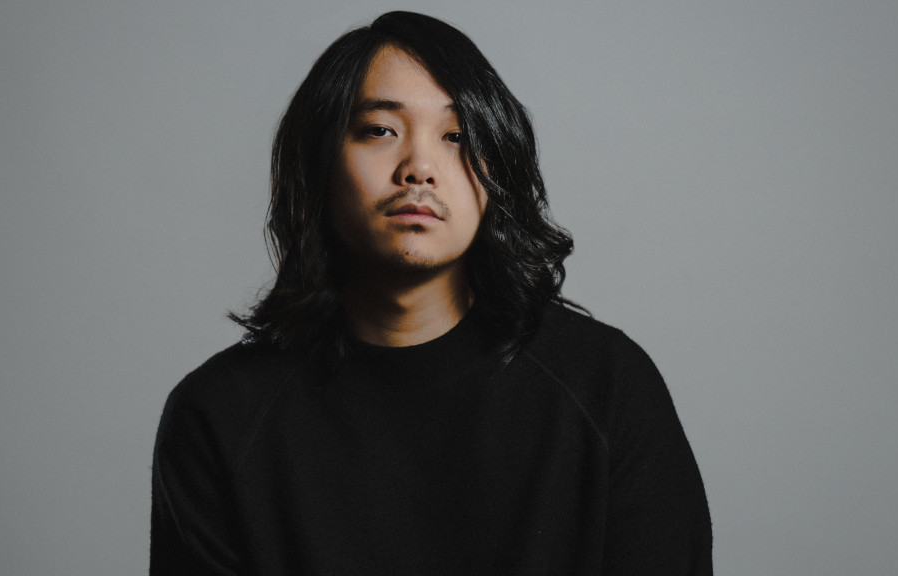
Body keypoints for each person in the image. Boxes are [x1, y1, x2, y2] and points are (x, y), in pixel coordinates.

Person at [150, 11, 712, 575]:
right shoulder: (220, 417)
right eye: (379, 130)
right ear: (318, 162)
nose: (419, 168)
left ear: (498, 169)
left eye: (456, 137)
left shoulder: (607, 386)